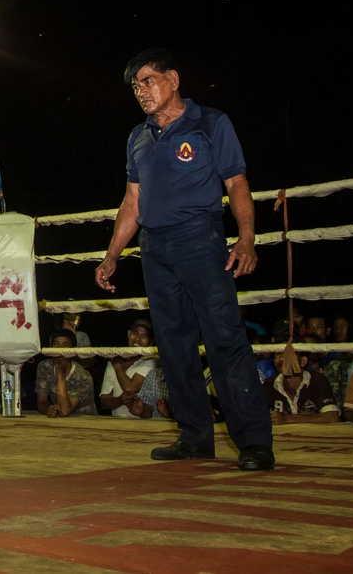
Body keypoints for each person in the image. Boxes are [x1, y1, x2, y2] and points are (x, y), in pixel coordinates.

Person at [95, 47, 274, 470]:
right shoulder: (137, 137)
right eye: (136, 86)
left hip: (200, 238)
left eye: (148, 80)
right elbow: (132, 200)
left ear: (173, 79)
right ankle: (195, 436)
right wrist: (111, 256)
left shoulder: (211, 122)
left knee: (225, 340)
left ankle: (254, 443)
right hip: (154, 248)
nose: (141, 91)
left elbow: (237, 182)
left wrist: (246, 238)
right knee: (173, 347)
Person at [264, 343, 340, 424]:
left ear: (303, 361)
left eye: (288, 354)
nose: (281, 358)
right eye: (277, 354)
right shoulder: (270, 384)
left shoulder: (316, 380)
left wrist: (287, 419)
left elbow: (332, 417)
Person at [98, 319, 158, 418]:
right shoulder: (113, 361)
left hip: (144, 426)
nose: (137, 339)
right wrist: (120, 400)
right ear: (129, 334)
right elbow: (104, 402)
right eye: (135, 333)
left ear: (150, 342)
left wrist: (117, 365)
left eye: (144, 336)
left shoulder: (151, 361)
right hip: (118, 425)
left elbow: (129, 388)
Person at [34, 328, 97, 417]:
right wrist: (48, 409)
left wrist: (60, 375)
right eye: (56, 344)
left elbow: (64, 411)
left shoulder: (83, 377)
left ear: (72, 350)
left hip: (85, 421)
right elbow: (41, 402)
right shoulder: (45, 366)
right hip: (59, 421)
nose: (59, 349)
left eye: (65, 345)